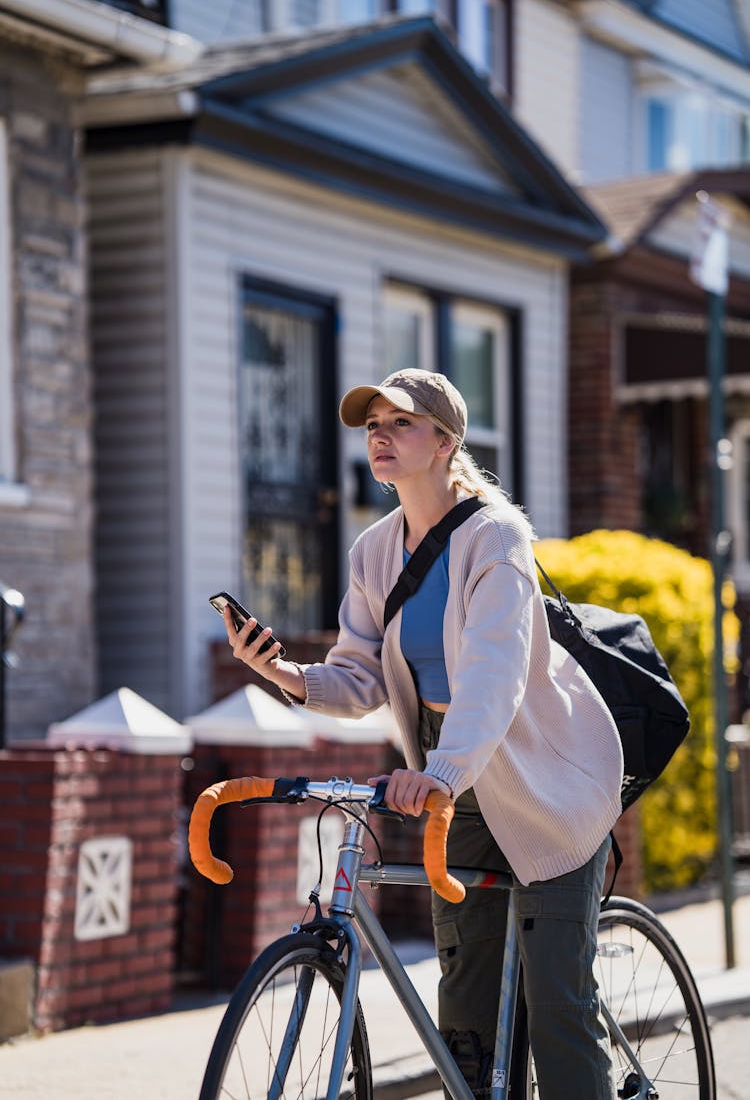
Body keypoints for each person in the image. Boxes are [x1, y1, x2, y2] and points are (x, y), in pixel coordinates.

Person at [221, 367, 623, 1100]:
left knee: (560, 1003)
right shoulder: (376, 550)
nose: (379, 434)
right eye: (372, 423)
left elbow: (493, 677)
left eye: (399, 422)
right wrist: (283, 672)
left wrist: (437, 772)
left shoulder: (495, 536)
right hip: (457, 787)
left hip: (545, 779)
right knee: (466, 1017)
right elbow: (361, 676)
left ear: (444, 441)